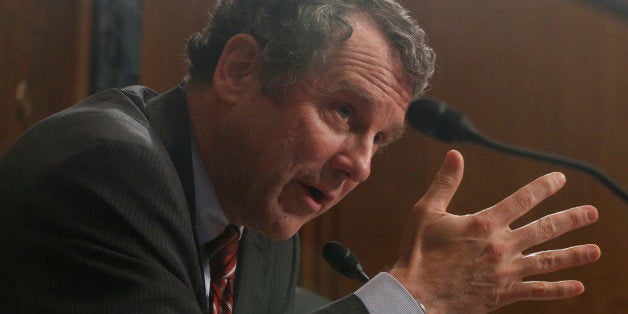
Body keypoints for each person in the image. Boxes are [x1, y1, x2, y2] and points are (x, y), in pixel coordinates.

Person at [0, 0, 600, 313]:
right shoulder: (102, 173)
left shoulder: (260, 234)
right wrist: (410, 299)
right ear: (239, 69)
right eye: (344, 113)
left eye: (379, 140)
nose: (360, 164)